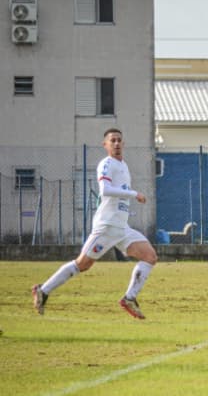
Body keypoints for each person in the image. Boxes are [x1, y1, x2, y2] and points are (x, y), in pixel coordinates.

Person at [32, 128, 157, 319]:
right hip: (106, 226)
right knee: (83, 264)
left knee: (149, 256)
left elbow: (117, 194)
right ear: (105, 145)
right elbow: (105, 190)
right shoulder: (106, 164)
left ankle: (129, 298)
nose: (116, 143)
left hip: (122, 227)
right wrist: (134, 194)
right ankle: (44, 290)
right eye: (112, 140)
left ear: (123, 144)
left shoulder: (123, 165)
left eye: (119, 140)